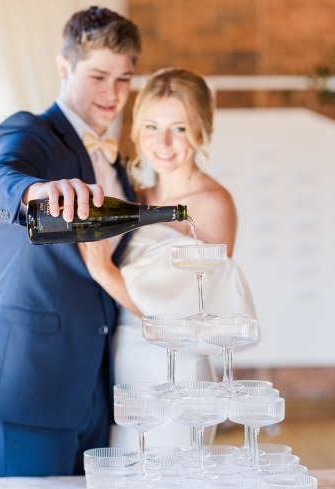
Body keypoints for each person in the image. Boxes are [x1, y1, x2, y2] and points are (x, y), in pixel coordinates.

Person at [0, 7, 142, 476]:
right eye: (98, 75)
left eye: (124, 79)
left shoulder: (117, 166)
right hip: (28, 380)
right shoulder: (30, 131)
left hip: (96, 387)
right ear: (64, 67)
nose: (112, 94)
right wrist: (37, 191)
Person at [80, 68, 256, 449]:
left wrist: (103, 272)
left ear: (201, 130)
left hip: (179, 370)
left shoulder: (212, 203)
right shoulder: (135, 197)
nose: (163, 142)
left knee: (173, 485)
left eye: (178, 128)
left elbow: (188, 316)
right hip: (124, 360)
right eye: (151, 127)